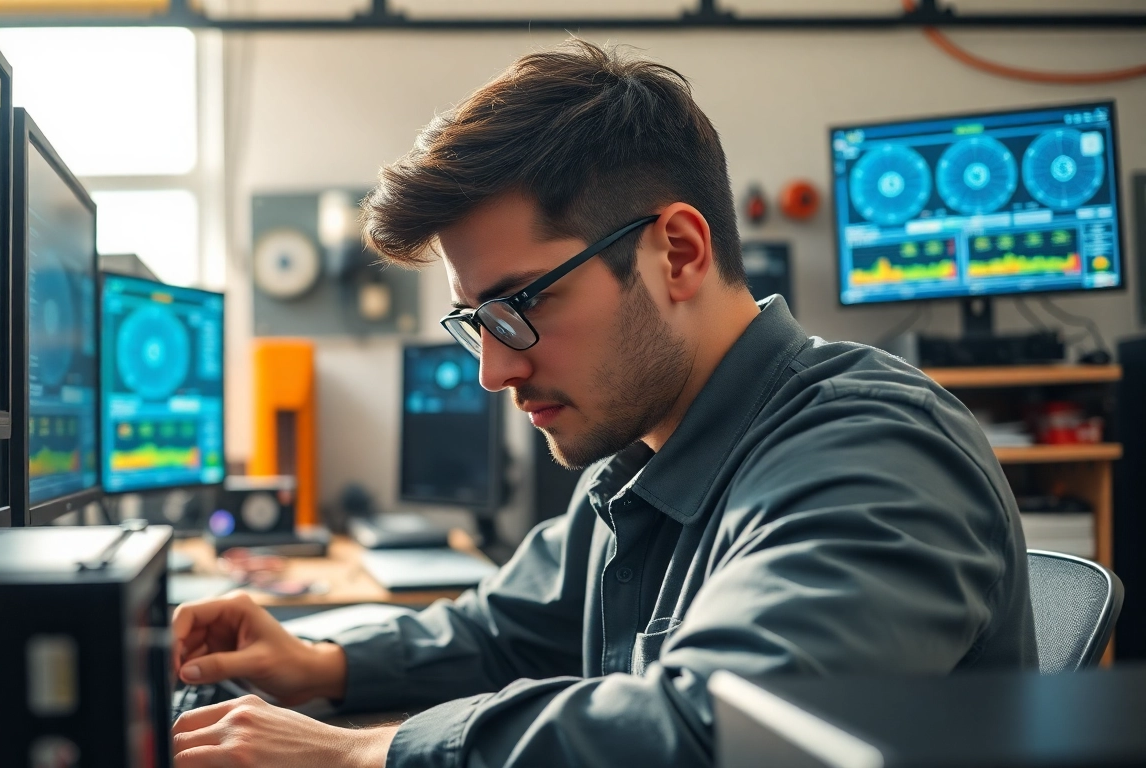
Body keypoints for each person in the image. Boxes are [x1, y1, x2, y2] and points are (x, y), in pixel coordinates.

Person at [169, 40, 1037, 768]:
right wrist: (318, 663)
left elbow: (724, 732)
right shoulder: (640, 459)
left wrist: (368, 753)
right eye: (478, 322)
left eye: (522, 306)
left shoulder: (874, 450)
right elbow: (506, 633)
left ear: (680, 253)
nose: (493, 375)